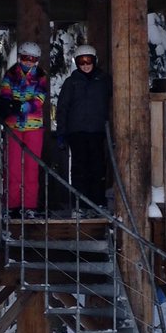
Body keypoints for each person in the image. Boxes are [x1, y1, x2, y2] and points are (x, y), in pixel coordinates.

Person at [56, 43, 112, 213]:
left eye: (89, 61)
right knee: (80, 168)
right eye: (82, 61)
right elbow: (63, 108)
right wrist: (61, 132)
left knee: (97, 167)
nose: (86, 65)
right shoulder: (71, 82)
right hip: (77, 131)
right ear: (76, 63)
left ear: (95, 61)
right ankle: (80, 203)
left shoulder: (103, 81)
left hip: (97, 130)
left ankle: (97, 203)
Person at [0, 42, 48, 216]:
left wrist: (21, 106)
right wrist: (11, 106)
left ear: (37, 60)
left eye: (32, 59)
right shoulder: (11, 75)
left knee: (32, 167)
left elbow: (39, 99)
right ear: (20, 57)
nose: (29, 62)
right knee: (13, 166)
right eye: (26, 58)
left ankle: (30, 206)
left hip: (33, 127)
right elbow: (5, 95)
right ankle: (12, 205)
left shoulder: (41, 76)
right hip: (14, 127)